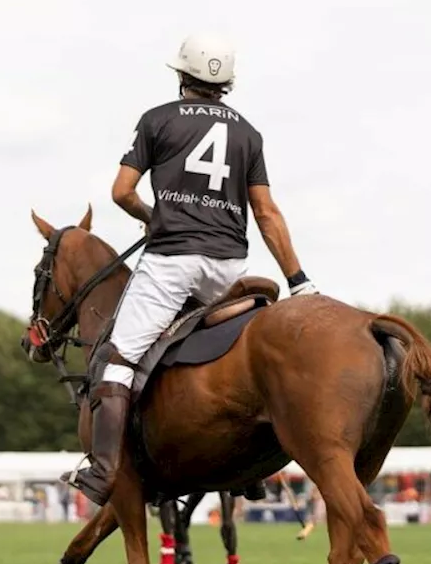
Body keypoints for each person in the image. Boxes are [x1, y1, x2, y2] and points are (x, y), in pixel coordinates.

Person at [63, 33, 317, 506]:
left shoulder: (157, 120)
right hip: (227, 267)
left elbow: (121, 192)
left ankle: (102, 473)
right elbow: (265, 212)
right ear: (226, 84)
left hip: (171, 263)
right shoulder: (248, 133)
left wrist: (152, 215)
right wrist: (299, 281)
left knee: (117, 362)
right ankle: (244, 471)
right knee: (221, 352)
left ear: (181, 74)